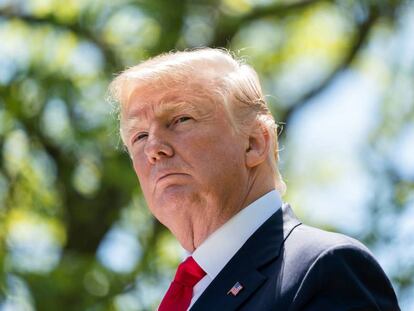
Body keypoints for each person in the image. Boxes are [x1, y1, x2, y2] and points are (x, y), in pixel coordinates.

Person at [109, 48, 400, 311]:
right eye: (140, 136)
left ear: (254, 143)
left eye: (180, 119)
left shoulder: (326, 268)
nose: (153, 149)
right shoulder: (186, 295)